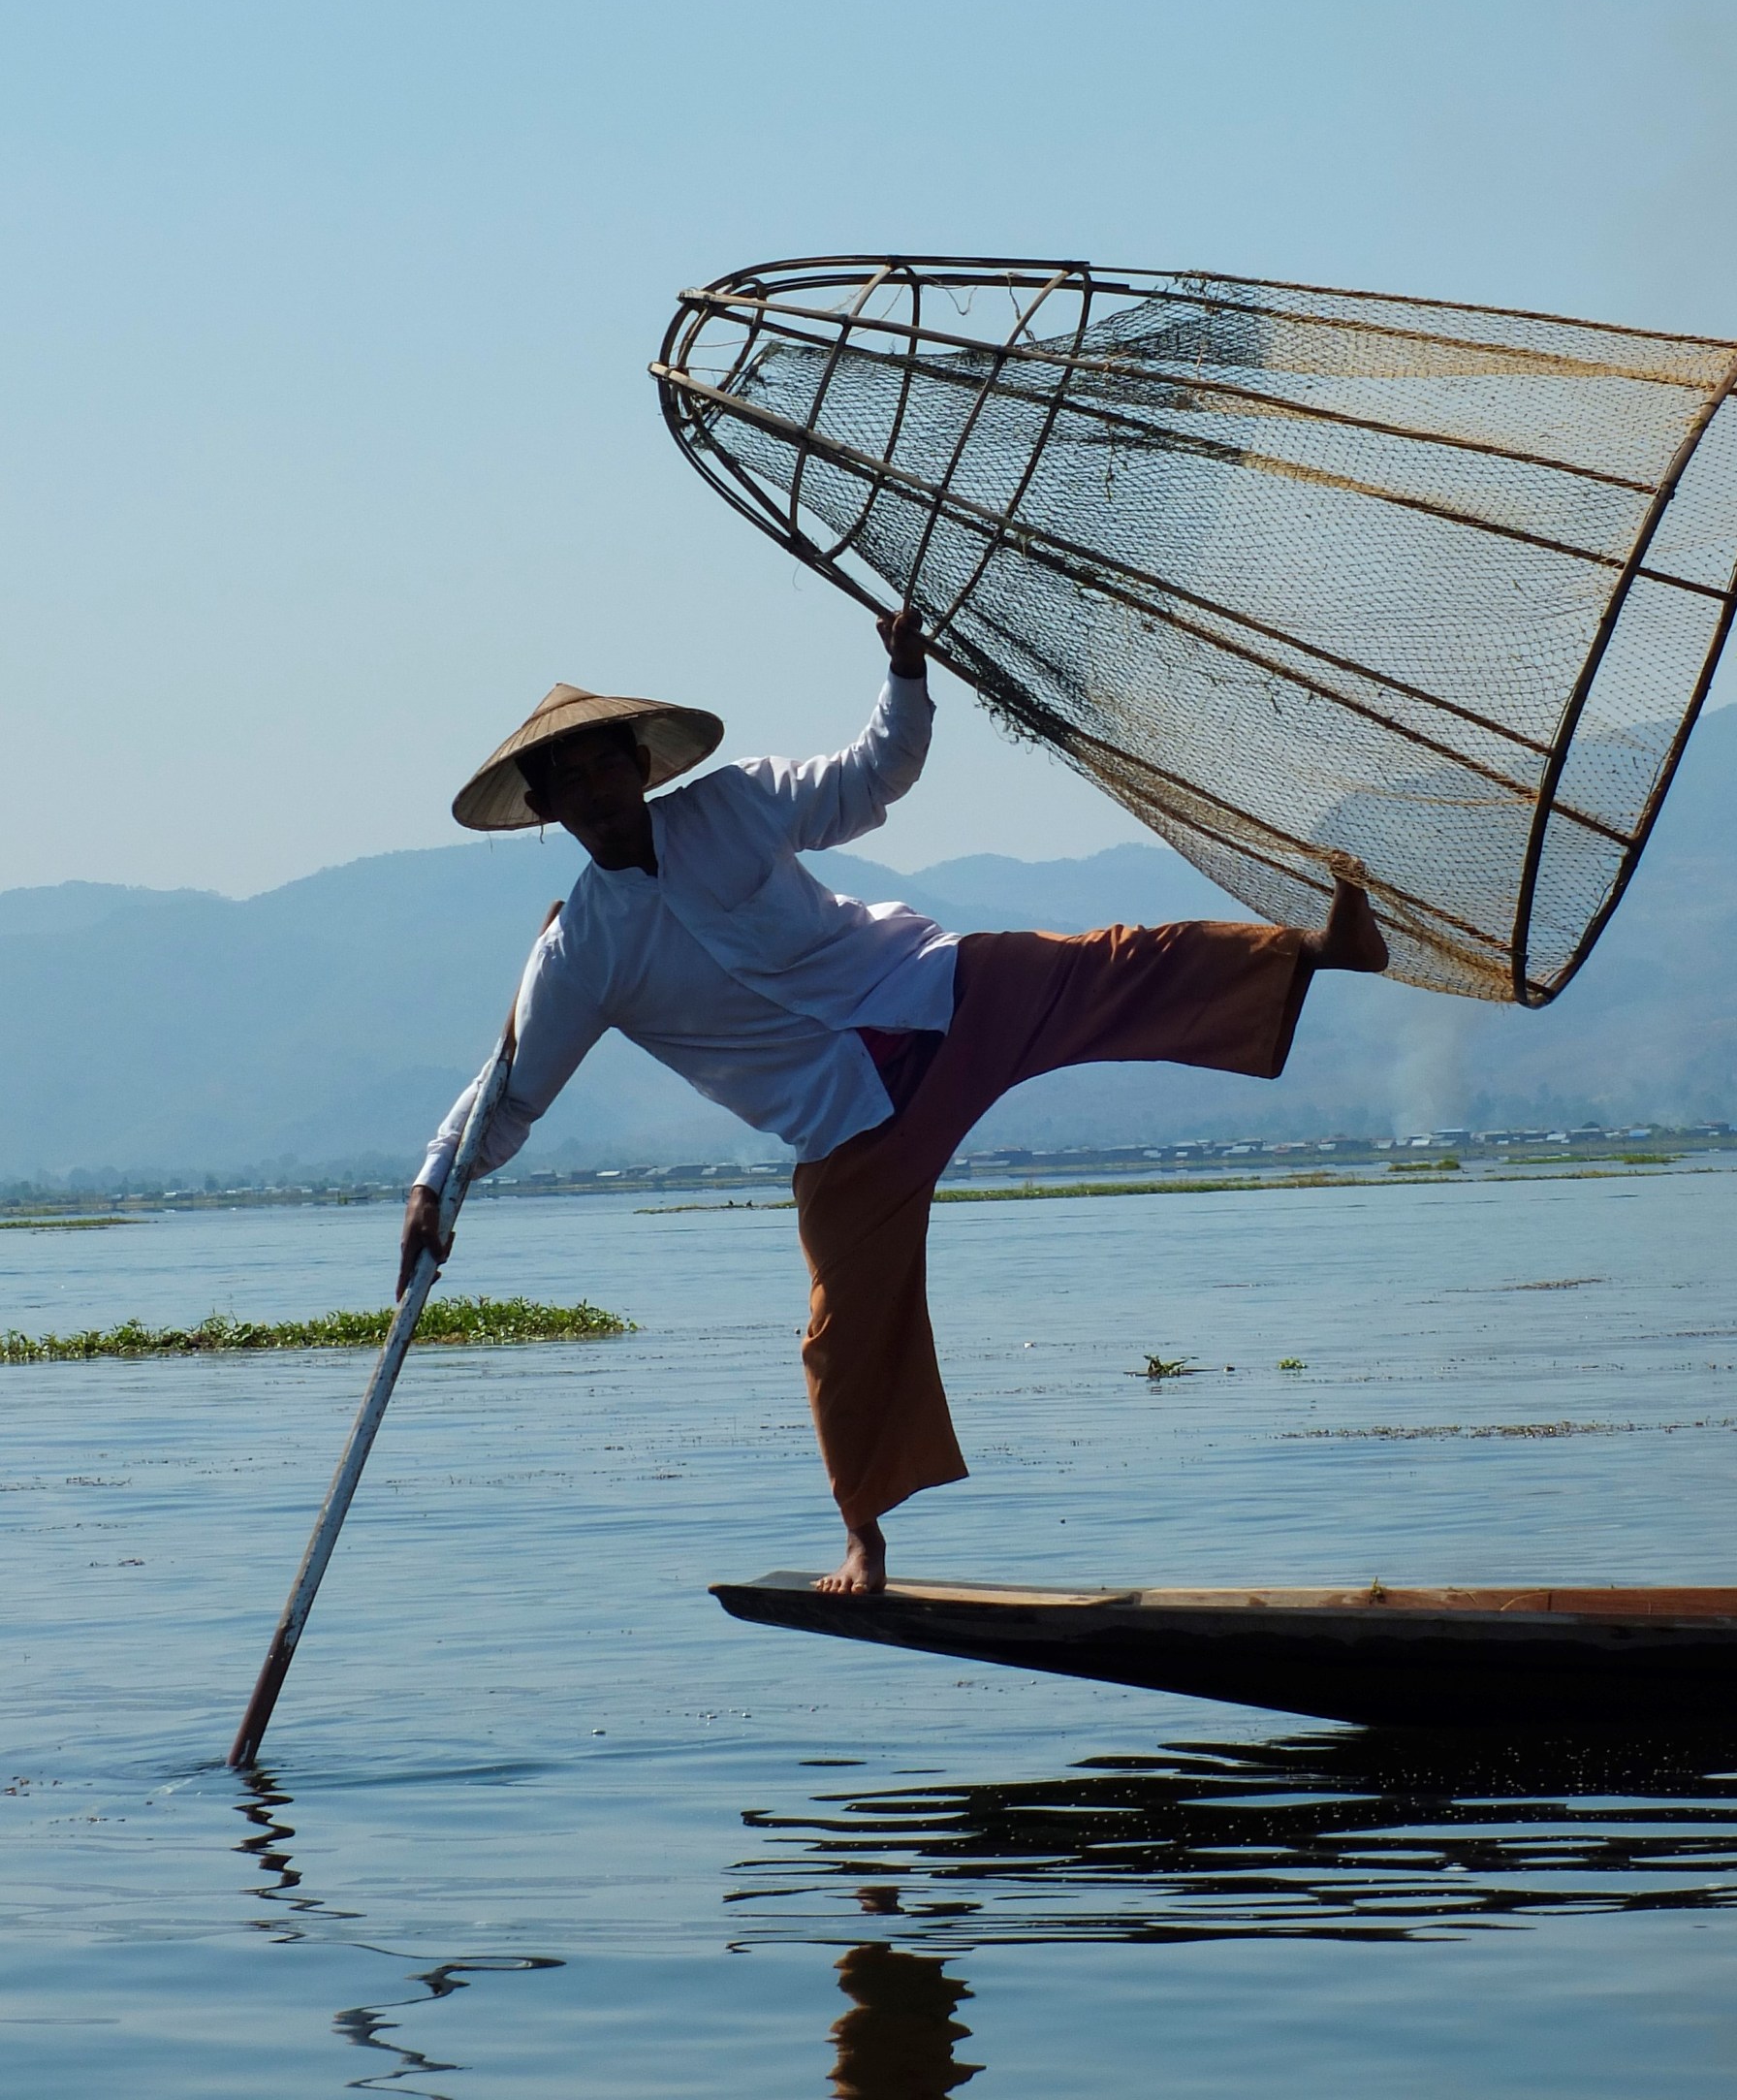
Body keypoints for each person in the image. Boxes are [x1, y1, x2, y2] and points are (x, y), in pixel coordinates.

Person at [400, 612, 1388, 1593]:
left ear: (639, 765)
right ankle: (863, 1542)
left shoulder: (735, 807)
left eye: (603, 766)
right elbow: (511, 1093)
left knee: (1113, 965)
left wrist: (906, 671)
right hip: (841, 1119)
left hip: (928, 998)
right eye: (565, 782)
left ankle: (1318, 949)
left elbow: (873, 776)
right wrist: (434, 1183)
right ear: (544, 805)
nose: (592, 792)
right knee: (844, 1331)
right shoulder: (578, 954)